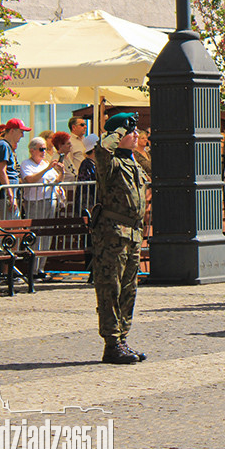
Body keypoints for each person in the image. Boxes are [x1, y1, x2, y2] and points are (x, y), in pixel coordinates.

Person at [92, 112, 149, 364]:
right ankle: (111, 342)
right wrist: (117, 131)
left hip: (133, 233)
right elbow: (102, 149)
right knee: (110, 289)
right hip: (113, 233)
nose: (136, 135)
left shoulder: (132, 162)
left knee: (129, 289)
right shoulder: (110, 161)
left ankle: (122, 339)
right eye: (131, 132)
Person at [19, 136, 65, 275]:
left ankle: (41, 268)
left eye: (45, 148)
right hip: (35, 202)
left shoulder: (46, 163)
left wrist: (61, 171)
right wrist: (46, 169)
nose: (44, 151)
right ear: (32, 150)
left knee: (47, 235)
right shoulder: (26, 164)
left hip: (49, 200)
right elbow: (30, 179)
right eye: (41, 149)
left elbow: (56, 180)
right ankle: (33, 268)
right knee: (36, 234)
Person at [0, 118, 29, 218]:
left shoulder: (5, 145)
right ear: (12, 131)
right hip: (5, 195)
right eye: (21, 132)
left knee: (13, 225)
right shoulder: (3, 146)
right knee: (9, 226)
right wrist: (10, 195)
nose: (22, 135)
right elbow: (2, 171)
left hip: (8, 193)